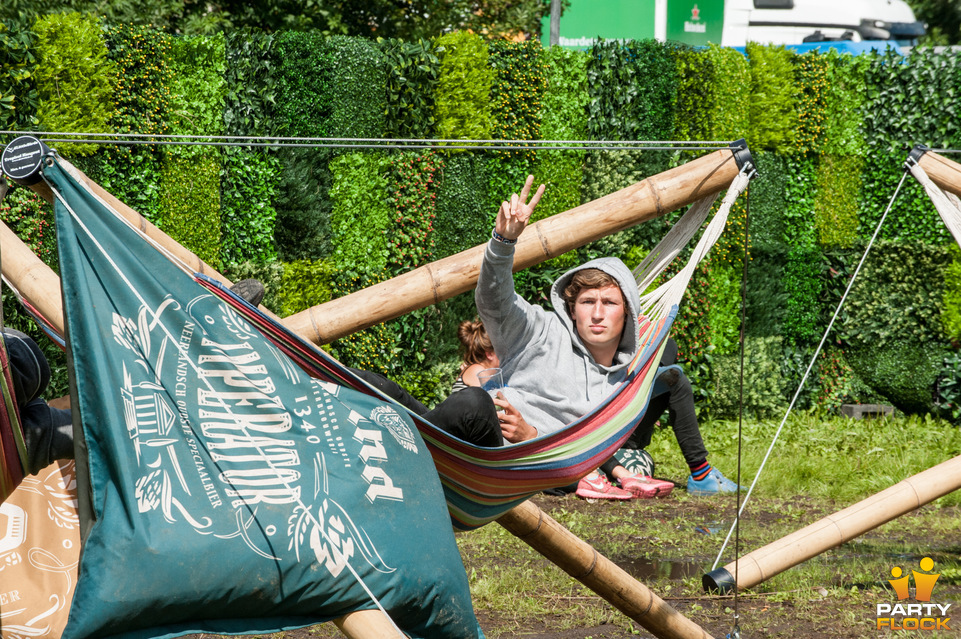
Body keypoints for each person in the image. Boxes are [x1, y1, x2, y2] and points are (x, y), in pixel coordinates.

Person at [475, 175, 740, 498]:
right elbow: (494, 299)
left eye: (609, 303)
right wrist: (503, 243)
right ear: (572, 309)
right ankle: (691, 472)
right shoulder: (540, 332)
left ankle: (697, 472)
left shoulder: (624, 383)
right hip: (497, 451)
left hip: (582, 442)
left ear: (627, 313)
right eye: (587, 302)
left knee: (673, 372)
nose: (597, 313)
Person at [450, 318, 500, 393]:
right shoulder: (478, 371)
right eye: (502, 350)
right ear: (490, 354)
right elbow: (492, 401)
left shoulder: (478, 369)